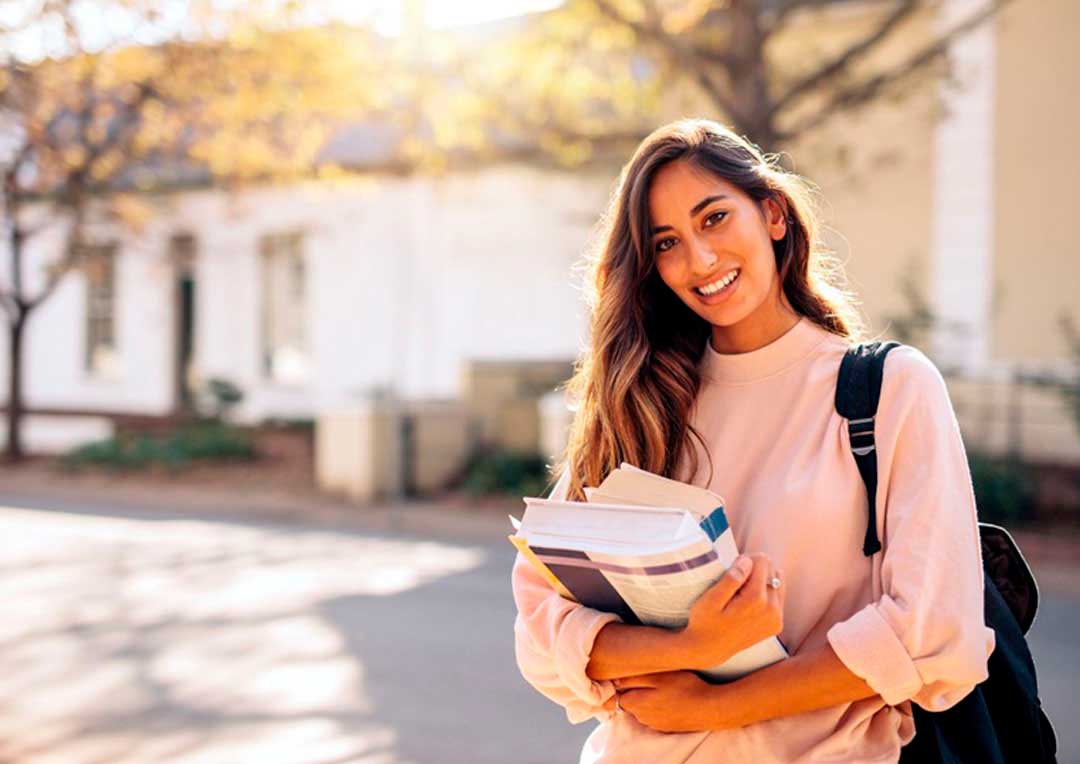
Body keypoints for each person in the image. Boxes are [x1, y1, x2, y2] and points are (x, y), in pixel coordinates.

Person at [510, 118, 995, 764]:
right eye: (666, 243)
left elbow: (932, 633)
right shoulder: (643, 404)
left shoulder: (888, 391)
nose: (699, 261)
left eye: (714, 219)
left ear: (772, 213)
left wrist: (712, 706)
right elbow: (542, 632)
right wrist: (693, 648)